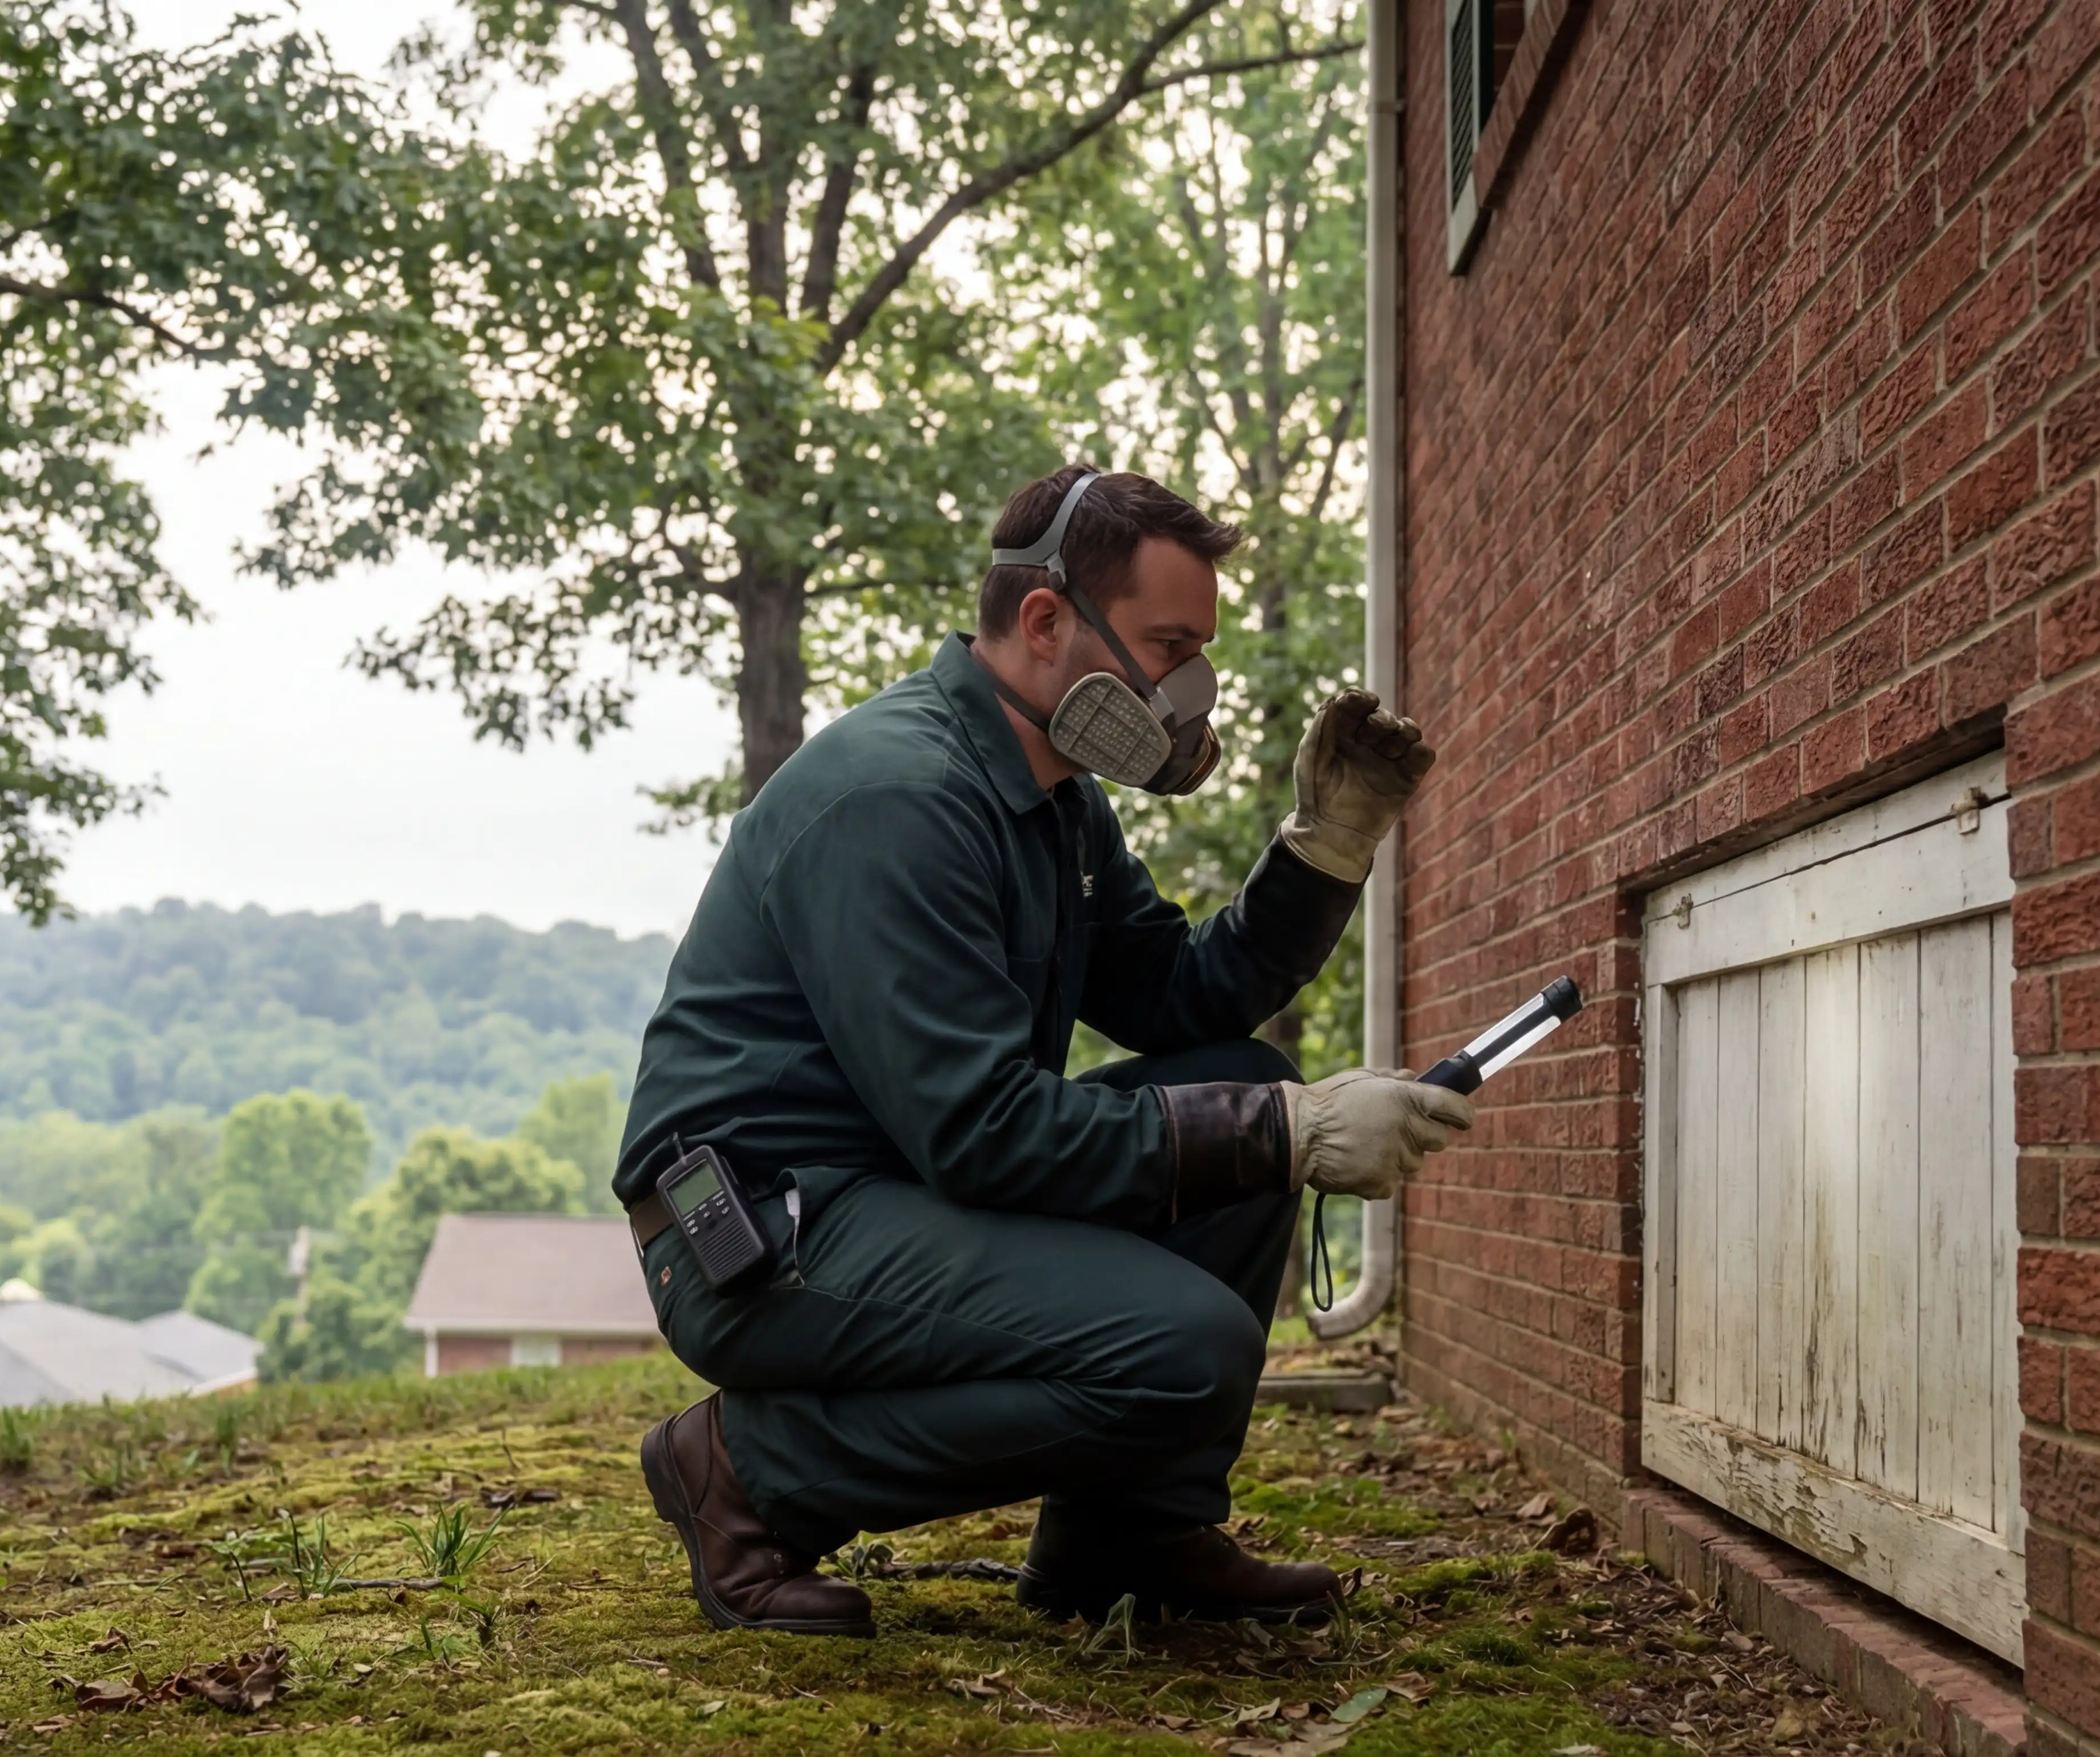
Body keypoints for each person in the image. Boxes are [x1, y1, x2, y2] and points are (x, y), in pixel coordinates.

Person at [617, 463, 1473, 1639]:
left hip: (895, 1191)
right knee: (1188, 1347)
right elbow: (981, 1134)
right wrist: (1292, 1138)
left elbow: (1184, 1000)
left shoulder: (1052, 799)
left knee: (1250, 1080)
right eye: (1169, 647)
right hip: (762, 1234)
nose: (1190, 692)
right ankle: (749, 1476)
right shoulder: (897, 797)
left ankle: (1129, 1534)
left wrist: (1326, 848)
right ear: (1042, 620)